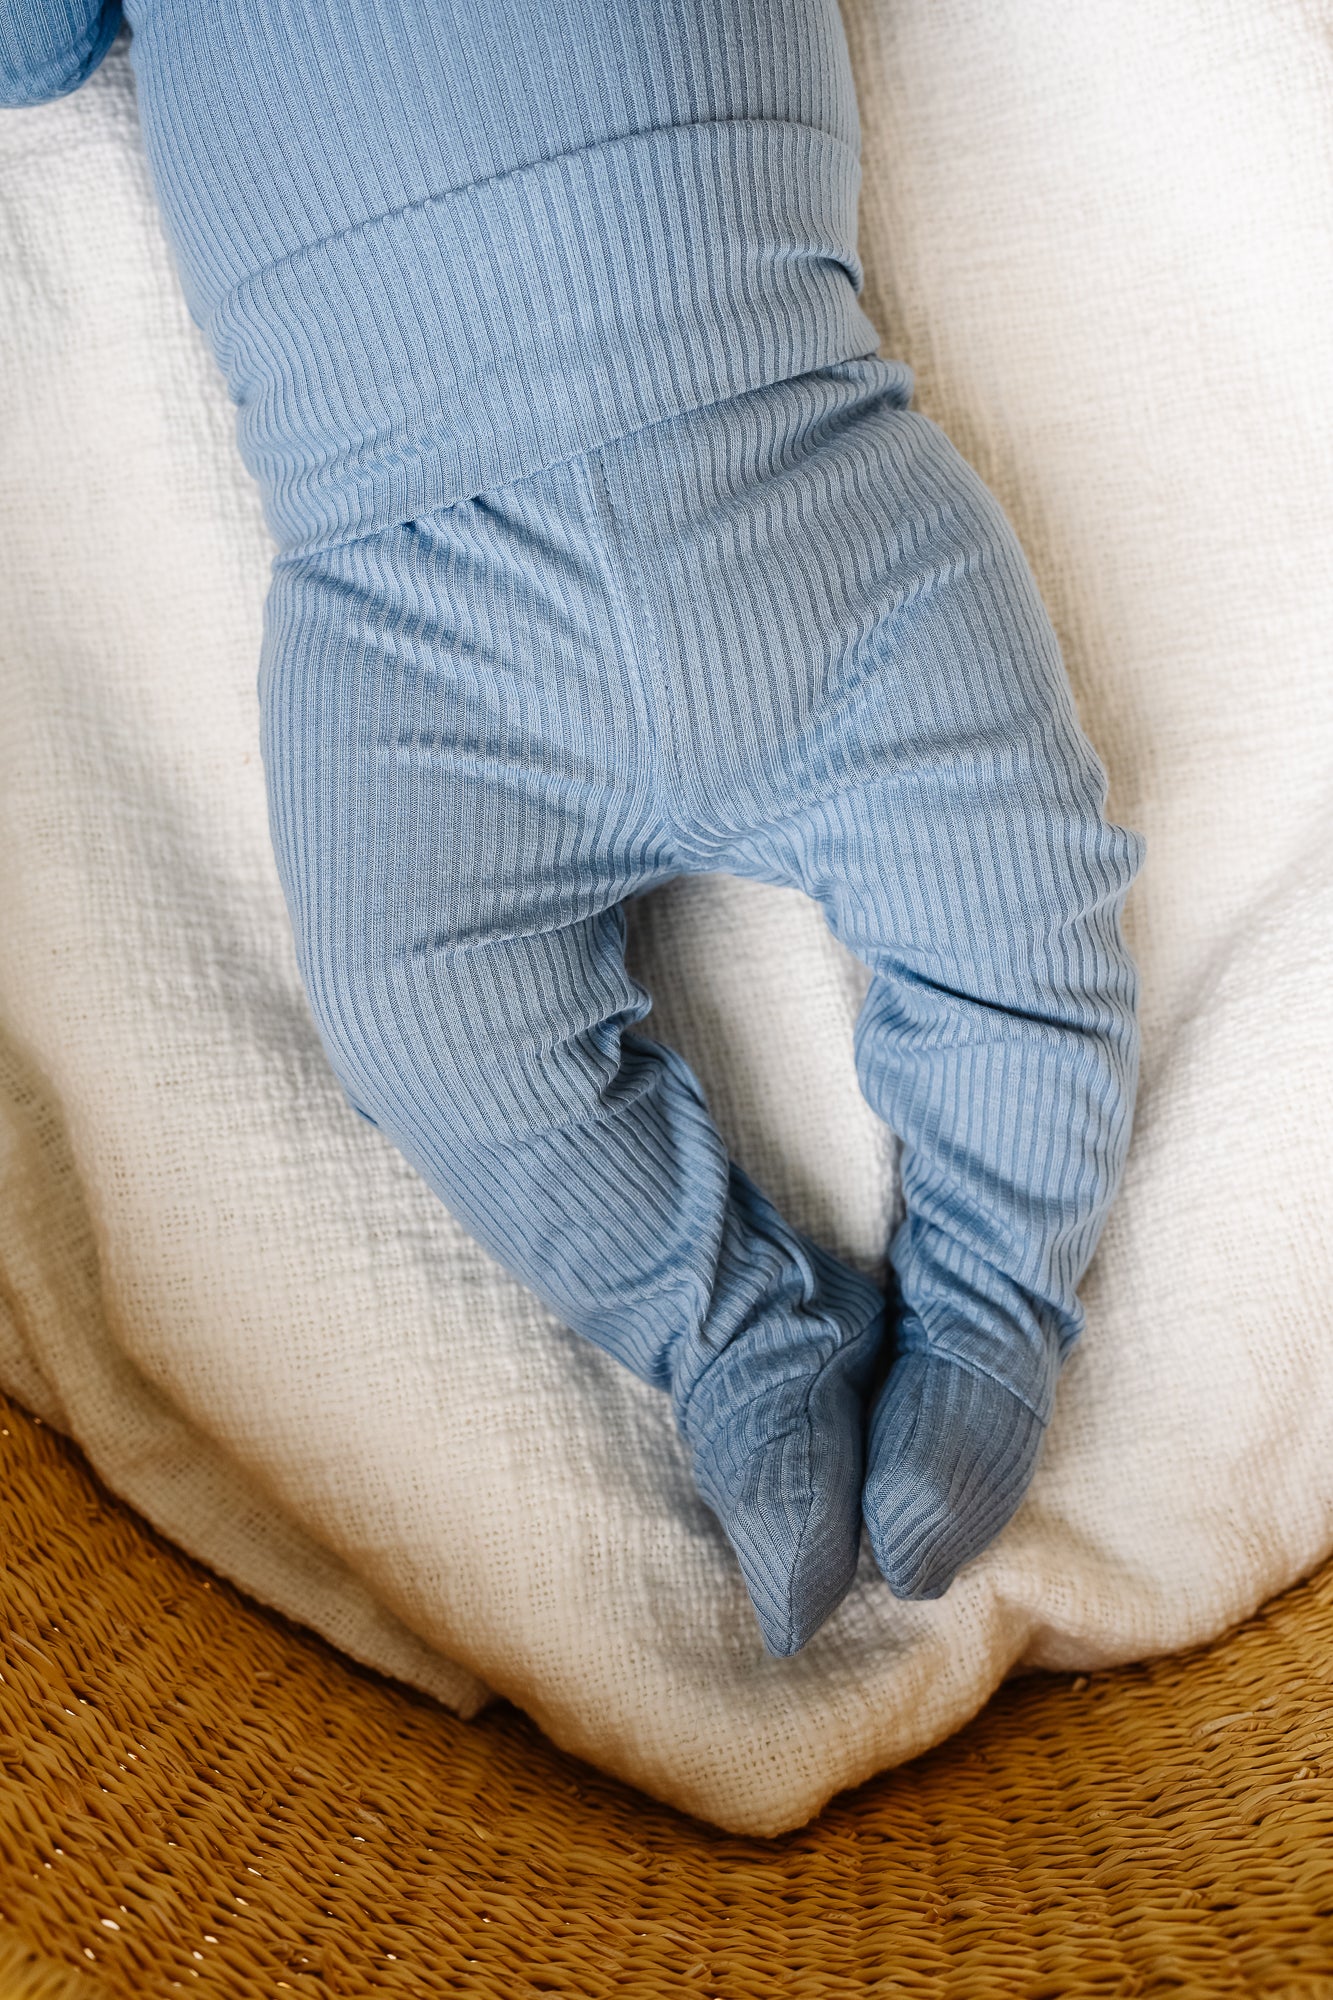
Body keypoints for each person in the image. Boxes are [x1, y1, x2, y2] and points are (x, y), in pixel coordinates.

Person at [0, 0, 1145, 1655]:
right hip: (408, 595)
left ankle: (987, 1320)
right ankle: (743, 1346)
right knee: (417, 1013)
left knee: (1017, 893)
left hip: (787, 433)